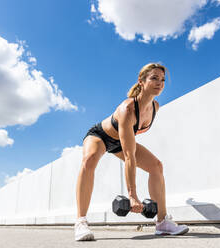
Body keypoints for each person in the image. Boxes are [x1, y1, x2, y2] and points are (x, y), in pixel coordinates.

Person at [74, 63, 189, 241]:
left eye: (162, 79)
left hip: (121, 141)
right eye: (154, 78)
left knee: (156, 166)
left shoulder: (155, 107)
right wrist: (132, 196)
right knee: (89, 161)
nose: (159, 83)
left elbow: (130, 147)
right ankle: (81, 222)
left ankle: (163, 223)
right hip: (101, 136)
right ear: (141, 81)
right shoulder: (128, 109)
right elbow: (129, 156)